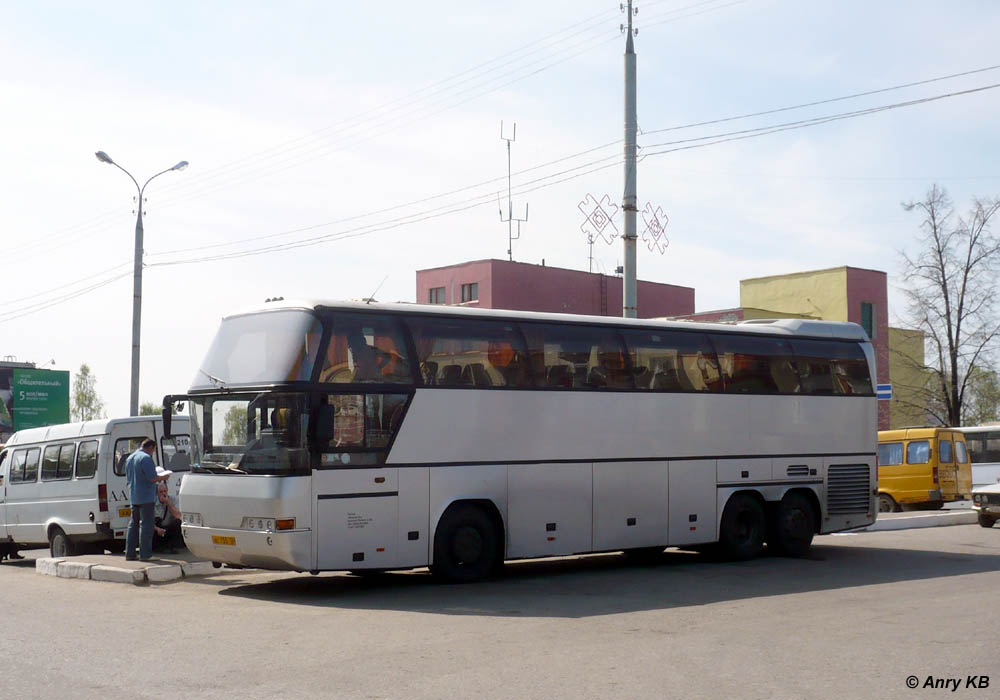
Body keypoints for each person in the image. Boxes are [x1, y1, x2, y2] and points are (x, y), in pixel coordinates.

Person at [124, 438, 169, 561]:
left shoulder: (130, 458)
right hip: (146, 497)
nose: (153, 453)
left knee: (133, 524)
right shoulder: (146, 458)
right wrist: (164, 476)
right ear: (151, 448)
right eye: (154, 450)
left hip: (134, 496)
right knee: (146, 525)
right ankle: (145, 554)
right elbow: (152, 478)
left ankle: (130, 553)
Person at [152, 481, 183, 554]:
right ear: (157, 493)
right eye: (161, 492)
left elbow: (178, 515)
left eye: (165, 491)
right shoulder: (152, 502)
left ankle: (172, 546)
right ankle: (158, 547)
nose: (163, 494)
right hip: (157, 529)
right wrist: (157, 529)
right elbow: (146, 521)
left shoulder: (173, 500)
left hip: (168, 527)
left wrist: (168, 503)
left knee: (178, 522)